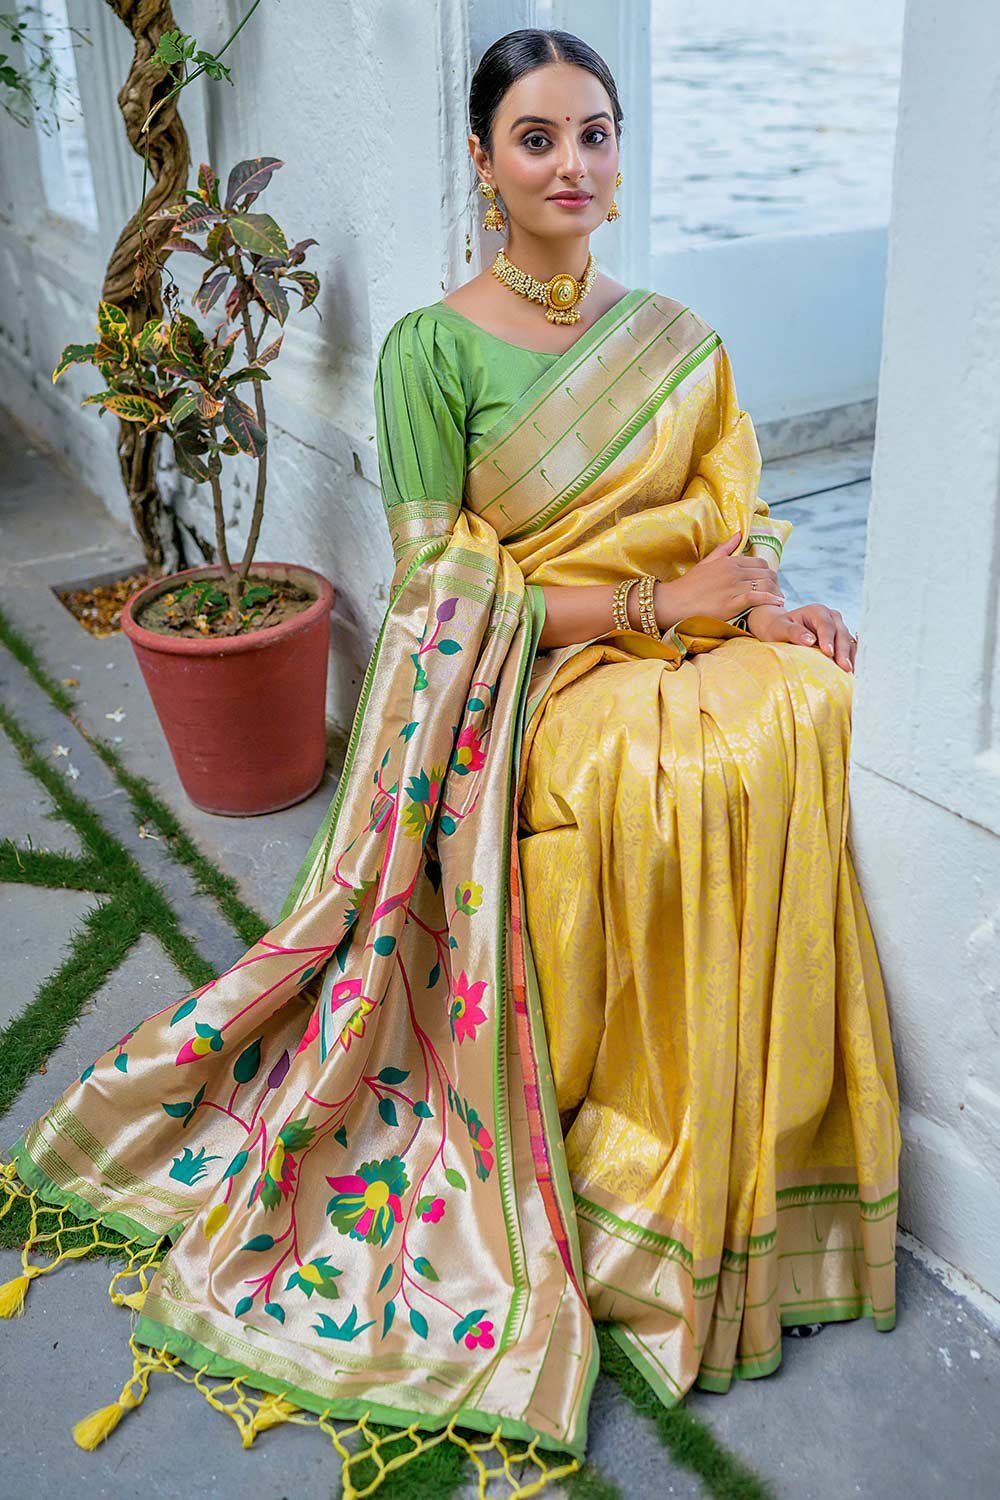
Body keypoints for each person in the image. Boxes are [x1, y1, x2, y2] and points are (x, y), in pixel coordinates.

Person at [0, 25, 901, 1496]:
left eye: (596, 134)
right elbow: (438, 593)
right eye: (537, 138)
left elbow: (726, 517)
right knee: (650, 775)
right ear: (482, 163)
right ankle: (617, 1165)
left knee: (802, 711)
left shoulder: (677, 337)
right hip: (527, 674)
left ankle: (741, 1178)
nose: (574, 165)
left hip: (678, 630)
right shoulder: (434, 348)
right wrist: (657, 609)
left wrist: (774, 605)